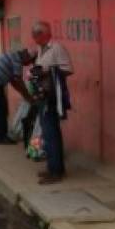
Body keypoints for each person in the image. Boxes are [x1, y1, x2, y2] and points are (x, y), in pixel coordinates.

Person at [31, 21, 73, 184]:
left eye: (35, 35)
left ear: (43, 34)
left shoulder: (57, 48)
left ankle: (56, 171)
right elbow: (38, 70)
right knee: (47, 134)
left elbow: (68, 69)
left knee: (51, 133)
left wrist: (48, 72)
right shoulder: (40, 50)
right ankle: (52, 167)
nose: (34, 38)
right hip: (41, 95)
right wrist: (34, 75)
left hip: (52, 97)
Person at [0, 48, 36, 145]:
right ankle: (0, 138)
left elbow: (13, 82)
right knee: (0, 111)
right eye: (29, 62)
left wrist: (24, 94)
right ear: (26, 57)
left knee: (0, 110)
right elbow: (18, 81)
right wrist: (27, 96)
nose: (27, 65)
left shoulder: (12, 56)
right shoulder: (17, 61)